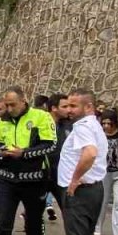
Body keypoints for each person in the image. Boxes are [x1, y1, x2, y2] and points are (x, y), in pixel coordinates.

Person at [0, 86, 58, 235]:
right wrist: (2, 150)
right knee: (3, 223)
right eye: (6, 105)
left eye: (12, 104)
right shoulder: (4, 120)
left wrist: (23, 153)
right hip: (8, 178)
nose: (9, 109)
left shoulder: (41, 117)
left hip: (34, 179)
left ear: (23, 101)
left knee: (34, 221)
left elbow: (50, 144)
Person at [59, 89, 109, 235]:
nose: (69, 110)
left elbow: (89, 154)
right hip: (94, 190)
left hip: (80, 192)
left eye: (73, 106)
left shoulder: (83, 127)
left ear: (88, 107)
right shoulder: (94, 125)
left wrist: (74, 180)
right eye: (67, 106)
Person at [43, 93, 75, 224]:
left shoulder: (69, 125)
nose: (69, 109)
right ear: (54, 108)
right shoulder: (41, 124)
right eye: (65, 106)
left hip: (61, 176)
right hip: (42, 174)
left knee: (69, 212)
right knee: (33, 213)